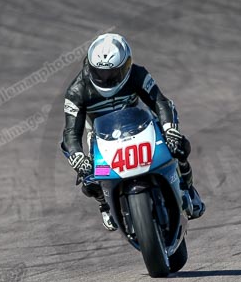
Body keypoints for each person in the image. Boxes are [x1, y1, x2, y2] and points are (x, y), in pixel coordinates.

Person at [61, 33, 205, 230]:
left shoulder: (138, 74)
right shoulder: (77, 90)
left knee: (178, 145)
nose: (105, 78)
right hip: (100, 140)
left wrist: (170, 130)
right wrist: (78, 157)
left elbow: (160, 101)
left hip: (139, 125)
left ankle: (187, 189)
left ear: (126, 66)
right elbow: (70, 133)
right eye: (99, 72)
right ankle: (105, 205)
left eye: (112, 73)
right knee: (91, 178)